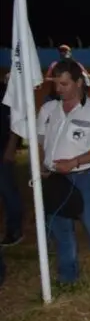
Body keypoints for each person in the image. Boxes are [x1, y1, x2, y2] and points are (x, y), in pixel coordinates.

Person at [37, 59, 90, 290]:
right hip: (55, 178)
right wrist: (42, 166)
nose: (59, 89)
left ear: (79, 82)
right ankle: (67, 276)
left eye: (64, 84)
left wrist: (74, 162)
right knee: (59, 227)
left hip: (83, 177)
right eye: (56, 85)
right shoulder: (48, 110)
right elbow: (41, 141)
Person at [0, 73, 24, 247]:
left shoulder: (4, 93)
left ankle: (14, 230)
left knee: (8, 192)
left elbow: (16, 122)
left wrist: (11, 148)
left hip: (2, 151)